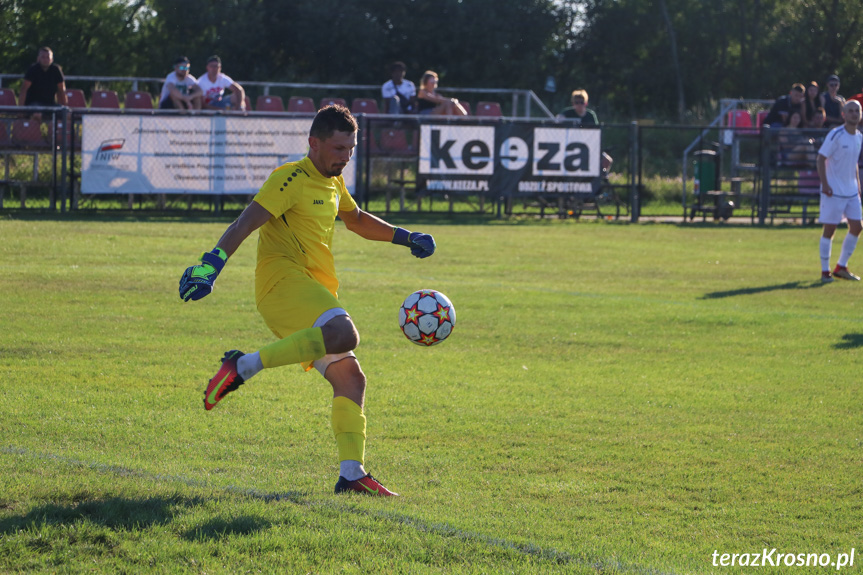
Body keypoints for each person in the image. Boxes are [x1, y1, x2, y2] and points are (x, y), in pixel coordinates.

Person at [178, 105, 436, 496]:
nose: (344, 156)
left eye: (350, 149)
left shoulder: (333, 181)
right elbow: (244, 222)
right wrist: (208, 266)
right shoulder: (289, 178)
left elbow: (357, 220)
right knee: (344, 332)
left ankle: (351, 475)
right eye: (337, 148)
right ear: (313, 143)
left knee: (351, 378)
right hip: (281, 284)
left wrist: (406, 236)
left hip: (312, 290)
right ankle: (243, 366)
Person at [816, 99, 863, 283]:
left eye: (856, 111)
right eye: (850, 111)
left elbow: (853, 165)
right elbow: (821, 159)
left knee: (857, 227)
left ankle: (841, 266)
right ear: (843, 114)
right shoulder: (836, 135)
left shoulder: (859, 136)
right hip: (833, 191)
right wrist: (825, 184)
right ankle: (825, 271)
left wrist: (858, 186)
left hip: (851, 191)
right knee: (830, 229)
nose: (853, 114)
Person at [19, 46, 68, 121]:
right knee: (37, 114)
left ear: (52, 59)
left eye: (48, 57)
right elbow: (24, 89)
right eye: (43, 57)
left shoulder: (56, 70)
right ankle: (37, 132)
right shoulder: (33, 70)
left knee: (68, 114)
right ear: (38, 58)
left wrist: (64, 107)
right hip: (34, 104)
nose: (45, 59)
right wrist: (20, 110)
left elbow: (61, 91)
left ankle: (57, 132)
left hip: (51, 104)